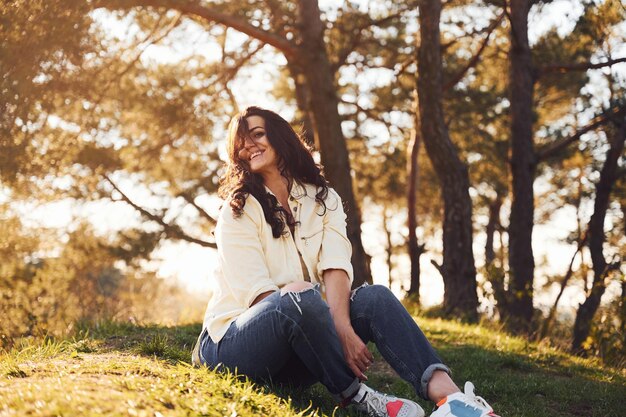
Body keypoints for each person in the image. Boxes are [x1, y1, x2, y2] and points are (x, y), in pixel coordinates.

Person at [192, 106, 500, 417]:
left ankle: (455, 402)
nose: (248, 147)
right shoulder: (237, 210)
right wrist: (322, 327)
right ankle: (358, 397)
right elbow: (259, 295)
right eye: (240, 144)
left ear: (280, 136)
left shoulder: (324, 199)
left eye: (256, 134)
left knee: (373, 297)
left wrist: (341, 326)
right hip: (233, 347)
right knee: (300, 295)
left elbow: (336, 265)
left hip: (296, 356)